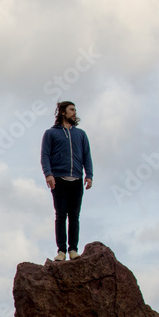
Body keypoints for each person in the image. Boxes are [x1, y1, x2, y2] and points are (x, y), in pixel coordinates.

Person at [40, 101, 93, 261]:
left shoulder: (81, 134)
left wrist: (89, 175)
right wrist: (48, 174)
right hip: (58, 178)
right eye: (71, 110)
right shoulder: (51, 133)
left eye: (75, 110)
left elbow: (87, 156)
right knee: (61, 214)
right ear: (63, 112)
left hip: (77, 179)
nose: (74, 112)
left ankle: (73, 250)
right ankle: (61, 251)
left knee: (74, 216)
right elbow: (45, 156)